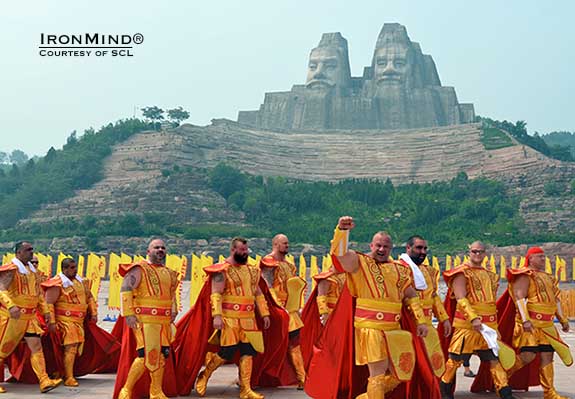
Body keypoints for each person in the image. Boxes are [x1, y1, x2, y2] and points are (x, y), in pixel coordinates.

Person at [306, 216, 429, 399]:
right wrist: (342, 231)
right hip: (370, 327)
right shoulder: (359, 262)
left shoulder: (400, 269)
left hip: (395, 330)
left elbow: (410, 295)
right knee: (377, 375)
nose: (381, 249)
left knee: (401, 373)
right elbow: (339, 254)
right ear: (371, 246)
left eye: (385, 246)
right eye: (378, 245)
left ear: (391, 248)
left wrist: (421, 321)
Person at [194, 237, 271, 399]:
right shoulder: (222, 270)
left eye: (246, 250)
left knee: (248, 352)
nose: (245, 253)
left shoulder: (252, 270)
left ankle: (246, 389)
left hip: (249, 318)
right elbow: (216, 294)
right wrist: (217, 316)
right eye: (242, 250)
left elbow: (257, 293)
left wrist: (264, 313)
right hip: (230, 317)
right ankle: (205, 375)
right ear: (233, 250)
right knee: (227, 352)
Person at [440, 241, 517, 399]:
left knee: (495, 360)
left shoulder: (489, 274)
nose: (477, 254)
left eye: (480, 252)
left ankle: (505, 393)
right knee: (454, 361)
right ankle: (445, 393)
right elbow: (461, 298)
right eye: (474, 251)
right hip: (467, 326)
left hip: (488, 327)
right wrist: (474, 318)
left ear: (485, 253)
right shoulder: (461, 272)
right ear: (469, 252)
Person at [500, 246, 572, 399]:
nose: (543, 259)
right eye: (539, 256)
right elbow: (519, 297)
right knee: (528, 356)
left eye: (544, 256)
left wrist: (563, 320)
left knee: (548, 356)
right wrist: (525, 320)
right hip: (531, 323)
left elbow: (556, 300)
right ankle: (502, 378)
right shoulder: (525, 275)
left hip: (547, 325)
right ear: (530, 258)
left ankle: (549, 392)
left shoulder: (549, 277)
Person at [115, 238, 179, 399]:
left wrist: (173, 310)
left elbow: (171, 295)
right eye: (156, 247)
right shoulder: (139, 269)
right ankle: (126, 390)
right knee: (145, 355)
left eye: (163, 248)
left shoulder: (169, 273)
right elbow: (125, 289)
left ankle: (156, 391)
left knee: (162, 355)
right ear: (148, 251)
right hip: (145, 321)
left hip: (164, 322)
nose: (160, 250)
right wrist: (128, 313)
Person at [0, 241, 62, 393]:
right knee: (3, 350)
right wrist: (10, 305)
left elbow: (38, 294)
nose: (31, 252)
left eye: (32, 249)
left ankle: (44, 380)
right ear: (18, 253)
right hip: (13, 317)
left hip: (30, 317)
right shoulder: (11, 270)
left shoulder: (32, 271)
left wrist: (46, 311)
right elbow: (1, 289)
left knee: (36, 347)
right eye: (28, 250)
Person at [399, 235, 450, 398]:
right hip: (409, 325)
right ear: (408, 248)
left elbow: (434, 296)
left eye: (425, 248)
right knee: (410, 366)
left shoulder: (428, 271)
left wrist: (444, 318)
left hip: (428, 326)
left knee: (435, 363)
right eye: (418, 248)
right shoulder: (398, 269)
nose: (423, 252)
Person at [259, 234, 307, 389]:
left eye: (287, 243)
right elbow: (266, 286)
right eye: (284, 243)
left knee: (294, 342)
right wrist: (278, 307)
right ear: (275, 244)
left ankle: (302, 378)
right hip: (274, 309)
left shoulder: (289, 265)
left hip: (289, 310)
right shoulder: (268, 263)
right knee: (268, 346)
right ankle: (255, 376)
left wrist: (296, 306)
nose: (287, 245)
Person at [42, 258, 98, 386]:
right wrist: (51, 321)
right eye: (72, 268)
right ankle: (69, 377)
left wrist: (94, 312)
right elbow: (49, 302)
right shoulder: (57, 283)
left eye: (75, 267)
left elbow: (89, 297)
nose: (75, 270)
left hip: (80, 320)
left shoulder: (81, 282)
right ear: (64, 269)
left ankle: (64, 371)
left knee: (78, 347)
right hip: (65, 320)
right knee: (71, 347)